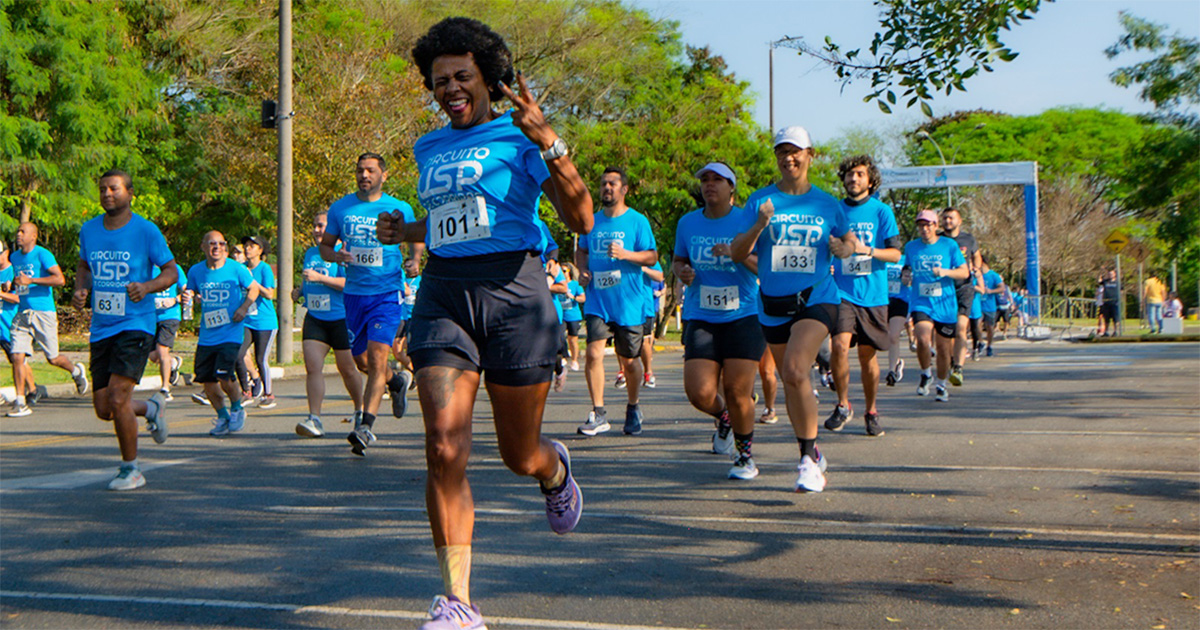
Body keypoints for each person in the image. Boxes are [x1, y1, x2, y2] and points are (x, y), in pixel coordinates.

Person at [375, 17, 593, 629]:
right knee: (443, 448)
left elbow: (580, 218)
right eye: (439, 80)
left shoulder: (520, 137)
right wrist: (408, 231)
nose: (450, 89)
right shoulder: (428, 147)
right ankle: (458, 602)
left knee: (517, 453)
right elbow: (461, 218)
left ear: (488, 80)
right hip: (443, 295)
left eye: (462, 76)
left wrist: (548, 139)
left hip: (515, 296)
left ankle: (553, 470)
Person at [729, 125, 859, 493]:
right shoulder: (760, 201)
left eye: (796, 151)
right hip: (772, 304)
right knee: (792, 380)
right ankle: (813, 450)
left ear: (810, 155)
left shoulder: (826, 203)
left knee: (795, 369)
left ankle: (805, 462)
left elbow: (849, 238)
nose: (789, 157)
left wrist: (845, 248)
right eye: (782, 151)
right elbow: (739, 253)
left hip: (818, 297)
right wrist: (759, 223)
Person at [72, 169, 177, 490]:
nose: (107, 194)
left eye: (114, 189)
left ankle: (131, 468)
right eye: (102, 189)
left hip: (136, 324)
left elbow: (171, 271)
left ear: (130, 193)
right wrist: (80, 290)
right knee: (106, 408)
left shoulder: (146, 230)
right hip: (102, 328)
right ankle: (150, 407)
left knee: (118, 396)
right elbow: (84, 266)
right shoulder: (89, 230)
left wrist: (147, 287)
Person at [321, 152, 423, 456]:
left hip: (387, 294)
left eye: (370, 170)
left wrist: (414, 260)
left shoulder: (398, 207)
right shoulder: (341, 208)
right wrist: (335, 255)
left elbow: (415, 237)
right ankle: (396, 382)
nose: (364, 175)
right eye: (360, 170)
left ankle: (364, 426)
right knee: (362, 361)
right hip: (353, 296)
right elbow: (325, 245)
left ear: (384, 175)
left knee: (378, 358)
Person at [674, 161, 767, 479]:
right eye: (705, 179)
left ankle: (745, 458)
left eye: (718, 179)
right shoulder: (687, 223)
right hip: (701, 314)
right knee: (698, 392)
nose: (709, 184)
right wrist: (682, 272)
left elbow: (764, 267)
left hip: (743, 314)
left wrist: (735, 252)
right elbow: (678, 260)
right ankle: (725, 415)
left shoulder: (747, 220)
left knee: (738, 389)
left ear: (732, 187)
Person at [824, 155, 902, 438]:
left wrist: (864, 249)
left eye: (859, 174)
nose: (853, 179)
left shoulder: (882, 212)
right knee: (839, 347)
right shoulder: (834, 211)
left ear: (870, 180)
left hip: (873, 296)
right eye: (848, 174)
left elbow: (895, 254)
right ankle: (843, 405)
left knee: (868, 357)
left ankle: (871, 411)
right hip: (841, 292)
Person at [576, 167, 657, 437]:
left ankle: (633, 407)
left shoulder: (637, 221)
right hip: (598, 299)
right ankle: (598, 413)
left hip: (629, 302)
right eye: (602, 184)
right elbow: (582, 249)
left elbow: (652, 257)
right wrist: (583, 270)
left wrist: (626, 254)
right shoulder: (591, 221)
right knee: (594, 353)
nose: (606, 188)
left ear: (624, 190)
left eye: (612, 184)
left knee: (631, 362)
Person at [294, 212, 364, 438]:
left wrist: (319, 279)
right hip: (315, 318)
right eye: (314, 225)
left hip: (341, 318)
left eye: (321, 226)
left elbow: (349, 283)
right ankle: (314, 418)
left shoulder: (343, 252)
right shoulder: (311, 253)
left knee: (347, 369)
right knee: (313, 368)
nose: (316, 230)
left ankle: (360, 410)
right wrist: (300, 291)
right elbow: (310, 280)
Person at [8, 222, 89, 417]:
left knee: (53, 358)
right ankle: (20, 402)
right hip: (22, 312)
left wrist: (32, 280)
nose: (18, 234)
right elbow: (19, 283)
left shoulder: (43, 254)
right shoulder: (14, 257)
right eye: (18, 231)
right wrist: (10, 285)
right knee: (17, 356)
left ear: (33, 236)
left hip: (43, 312)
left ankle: (76, 371)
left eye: (23, 231)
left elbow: (60, 280)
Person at [185, 231, 260, 436]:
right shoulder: (196, 271)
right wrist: (189, 296)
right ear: (203, 247)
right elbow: (191, 290)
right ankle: (223, 416)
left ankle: (237, 408)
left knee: (225, 376)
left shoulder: (236, 269)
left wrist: (244, 308)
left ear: (225, 248)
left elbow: (254, 289)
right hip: (208, 336)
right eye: (211, 244)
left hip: (231, 333)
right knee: (208, 382)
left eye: (220, 244)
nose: (216, 247)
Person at [904, 209, 969, 402]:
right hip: (921, 301)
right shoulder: (911, 247)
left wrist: (945, 272)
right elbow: (906, 268)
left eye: (928, 225)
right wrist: (905, 276)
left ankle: (941, 384)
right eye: (921, 225)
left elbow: (964, 273)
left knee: (943, 349)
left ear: (935, 226)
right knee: (923, 339)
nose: (924, 229)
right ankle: (926, 374)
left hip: (945, 304)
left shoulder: (949, 245)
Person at [939, 207, 981, 386]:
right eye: (945, 218)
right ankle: (949, 361)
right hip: (944, 289)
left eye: (951, 218)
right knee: (946, 332)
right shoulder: (938, 239)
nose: (948, 221)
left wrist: (976, 268)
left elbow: (977, 256)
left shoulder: (968, 239)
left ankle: (958, 367)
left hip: (964, 288)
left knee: (961, 327)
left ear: (960, 220)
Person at [1, 239, 42, 406]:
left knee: (18, 360)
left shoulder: (14, 272)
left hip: (9, 325)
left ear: (6, 253)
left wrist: (2, 294)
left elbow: (19, 297)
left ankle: (32, 390)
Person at [149, 263, 188, 400]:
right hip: (150, 317)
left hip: (170, 316)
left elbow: (187, 290)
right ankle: (172, 363)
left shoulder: (174, 268)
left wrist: (174, 300)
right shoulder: (145, 268)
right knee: (153, 356)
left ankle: (165, 388)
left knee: (162, 349)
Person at [884, 261, 911, 387]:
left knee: (893, 336)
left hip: (900, 301)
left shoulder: (905, 259)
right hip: (881, 301)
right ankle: (897, 361)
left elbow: (911, 281)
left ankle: (891, 370)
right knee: (883, 338)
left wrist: (907, 278)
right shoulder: (878, 258)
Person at [640, 262, 665, 388]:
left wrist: (644, 268)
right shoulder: (618, 254)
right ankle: (623, 372)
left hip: (644, 307)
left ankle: (648, 372)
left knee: (645, 340)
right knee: (621, 340)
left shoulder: (647, 257)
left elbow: (660, 276)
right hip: (624, 305)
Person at [975, 256, 1006, 356]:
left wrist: (991, 291)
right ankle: (981, 342)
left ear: (983, 263)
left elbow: (1002, 288)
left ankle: (989, 346)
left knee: (990, 327)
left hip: (990, 306)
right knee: (977, 324)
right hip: (978, 305)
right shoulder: (976, 275)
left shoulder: (993, 275)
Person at [561, 262, 584, 371]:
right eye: (561, 270)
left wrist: (573, 297)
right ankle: (564, 356)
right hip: (561, 315)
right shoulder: (558, 284)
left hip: (573, 315)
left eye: (564, 271)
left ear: (569, 272)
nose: (562, 273)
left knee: (572, 339)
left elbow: (583, 298)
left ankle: (574, 360)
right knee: (559, 335)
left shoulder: (575, 284)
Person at [1098, 269, 1121, 337]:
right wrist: (1101, 273)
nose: (1110, 275)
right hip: (1106, 302)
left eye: (1112, 274)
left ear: (1115, 274)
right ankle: (1106, 331)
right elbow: (1099, 282)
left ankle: (1115, 331)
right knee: (1106, 318)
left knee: (1115, 318)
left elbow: (1121, 290)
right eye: (1109, 274)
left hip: (1114, 302)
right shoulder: (1105, 282)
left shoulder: (1117, 282)